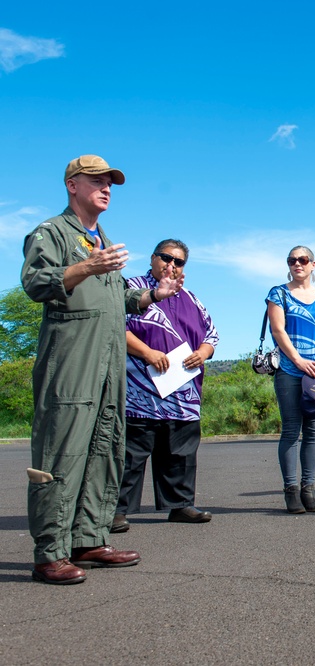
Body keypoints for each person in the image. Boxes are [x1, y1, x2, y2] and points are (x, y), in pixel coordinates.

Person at [22, 155, 181, 585]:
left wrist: (152, 295)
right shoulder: (52, 233)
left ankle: (87, 539)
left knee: (103, 450)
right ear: (72, 185)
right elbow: (37, 283)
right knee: (64, 451)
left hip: (109, 365)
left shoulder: (101, 239)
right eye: (96, 180)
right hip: (72, 361)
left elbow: (114, 301)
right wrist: (88, 266)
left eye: (110, 182)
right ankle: (50, 552)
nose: (106, 187)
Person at [112, 240, 220, 533]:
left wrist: (204, 352)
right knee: (131, 454)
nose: (171, 265)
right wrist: (146, 352)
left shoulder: (192, 299)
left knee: (180, 453)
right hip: (140, 392)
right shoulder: (132, 288)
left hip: (183, 393)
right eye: (166, 258)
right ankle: (117, 511)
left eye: (179, 261)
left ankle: (180, 505)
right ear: (153, 258)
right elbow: (113, 325)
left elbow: (212, 334)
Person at [267, 246, 315, 514]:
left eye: (303, 260)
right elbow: (278, 330)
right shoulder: (279, 294)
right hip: (289, 371)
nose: (297, 263)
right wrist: (298, 361)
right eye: (292, 260)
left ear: (313, 265)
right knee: (291, 430)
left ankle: (309, 488)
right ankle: (291, 491)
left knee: (313, 431)